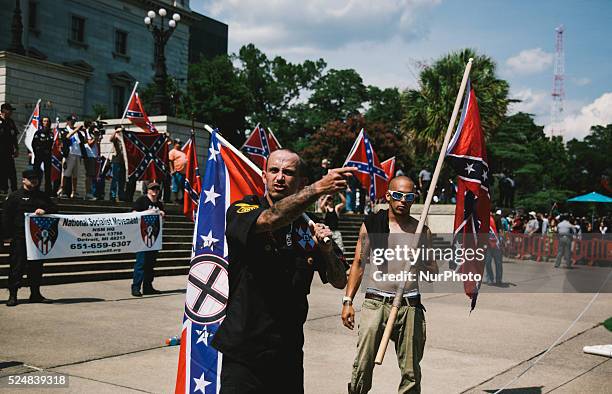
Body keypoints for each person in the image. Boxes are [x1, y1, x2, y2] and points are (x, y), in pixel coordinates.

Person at [211, 149, 350, 393]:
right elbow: (269, 220)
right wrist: (317, 189)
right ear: (264, 176)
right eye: (274, 170)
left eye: (288, 173)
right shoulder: (244, 209)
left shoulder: (310, 225)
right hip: (245, 350)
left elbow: (340, 281)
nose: (280, 177)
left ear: (301, 181)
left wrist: (327, 251)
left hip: (287, 351)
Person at [342, 176, 438, 394]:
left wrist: (421, 257)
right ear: (388, 196)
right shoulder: (373, 224)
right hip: (376, 303)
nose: (402, 201)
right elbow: (358, 263)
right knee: (363, 364)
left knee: (411, 371)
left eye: (409, 196)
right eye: (397, 195)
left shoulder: (421, 230)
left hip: (410, 306)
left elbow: (432, 273)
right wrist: (348, 301)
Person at [3, 168, 58, 306]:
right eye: (31, 178)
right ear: (23, 180)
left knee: (37, 267)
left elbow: (55, 209)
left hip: (37, 238)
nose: (34, 181)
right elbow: (6, 217)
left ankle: (35, 294)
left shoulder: (42, 196)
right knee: (17, 266)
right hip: (19, 237)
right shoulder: (15, 196)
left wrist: (45, 210)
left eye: (36, 179)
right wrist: (6, 235)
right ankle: (13, 295)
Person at [131, 181, 165, 296]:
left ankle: (148, 286)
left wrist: (162, 215)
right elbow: (134, 213)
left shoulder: (160, 204)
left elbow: (162, 221)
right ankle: (136, 287)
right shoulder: (142, 200)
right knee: (141, 263)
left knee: (151, 264)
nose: (154, 191)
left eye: (156, 189)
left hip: (154, 238)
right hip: (142, 236)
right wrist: (149, 212)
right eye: (152, 189)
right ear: (148, 190)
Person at [57, 115, 85, 198]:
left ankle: (74, 192)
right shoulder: (65, 130)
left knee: (75, 175)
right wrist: (76, 129)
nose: (73, 123)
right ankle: (62, 190)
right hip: (69, 154)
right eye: (71, 121)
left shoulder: (78, 133)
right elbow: (67, 137)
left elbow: (83, 142)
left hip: (78, 154)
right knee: (66, 174)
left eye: (74, 121)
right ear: (67, 121)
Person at [31, 116, 54, 196]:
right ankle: (35, 189)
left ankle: (48, 191)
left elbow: (51, 144)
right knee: (36, 172)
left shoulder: (51, 133)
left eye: (47, 121)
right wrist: (37, 153)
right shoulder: (38, 132)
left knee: (48, 174)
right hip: (39, 155)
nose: (46, 123)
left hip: (47, 155)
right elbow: (33, 144)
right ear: (42, 122)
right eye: (44, 121)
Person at [0, 103, 19, 193]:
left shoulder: (11, 122)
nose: (11, 112)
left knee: (12, 172)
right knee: (2, 171)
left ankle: (14, 190)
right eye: (10, 110)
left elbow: (14, 137)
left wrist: (17, 149)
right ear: (4, 111)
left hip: (9, 151)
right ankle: (3, 189)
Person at [109, 126, 126, 202]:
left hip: (124, 162)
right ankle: (113, 195)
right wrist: (116, 132)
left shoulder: (125, 137)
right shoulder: (116, 137)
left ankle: (121, 195)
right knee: (115, 179)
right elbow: (111, 139)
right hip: (116, 161)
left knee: (122, 180)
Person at [485, 213, 503, 285]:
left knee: (498, 263)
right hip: (487, 243)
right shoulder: (482, 219)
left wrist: (501, 240)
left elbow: (500, 230)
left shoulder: (496, 218)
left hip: (496, 243)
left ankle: (498, 279)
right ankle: (490, 278)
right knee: (487, 262)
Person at [168, 138, 187, 203]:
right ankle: (175, 199)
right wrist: (172, 170)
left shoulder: (182, 152)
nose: (180, 145)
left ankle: (182, 199)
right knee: (176, 186)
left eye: (180, 143)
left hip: (184, 172)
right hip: (177, 172)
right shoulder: (172, 152)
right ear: (175, 144)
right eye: (178, 143)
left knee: (183, 187)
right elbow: (170, 161)